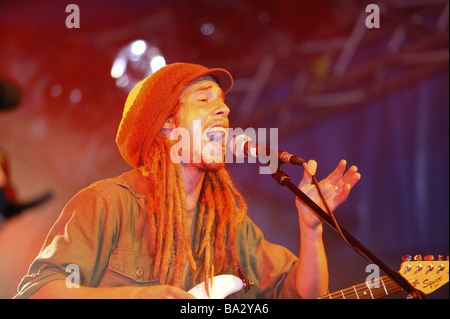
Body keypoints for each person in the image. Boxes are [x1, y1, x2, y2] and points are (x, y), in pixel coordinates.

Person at [14, 63, 360, 299]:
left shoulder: (230, 225)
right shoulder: (106, 203)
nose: (224, 110)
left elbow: (302, 293)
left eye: (223, 103)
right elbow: (38, 289)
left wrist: (311, 228)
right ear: (167, 125)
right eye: (204, 99)